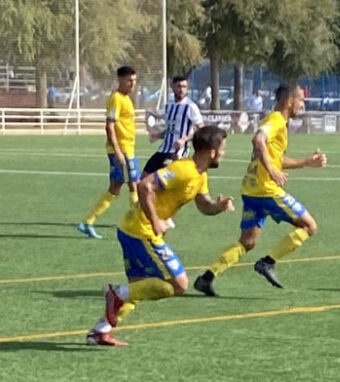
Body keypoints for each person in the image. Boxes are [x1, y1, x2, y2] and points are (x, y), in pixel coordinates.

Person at [85, 126, 235, 346]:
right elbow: (145, 185)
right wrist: (155, 220)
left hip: (132, 230)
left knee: (141, 287)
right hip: (141, 231)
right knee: (179, 284)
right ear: (212, 151)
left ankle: (99, 331)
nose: (224, 153)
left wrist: (218, 207)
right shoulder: (184, 169)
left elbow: (204, 205)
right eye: (222, 149)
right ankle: (115, 293)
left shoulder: (200, 175)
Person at [193, 84, 327, 296]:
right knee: (309, 226)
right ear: (289, 100)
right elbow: (258, 140)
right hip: (266, 190)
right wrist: (272, 170)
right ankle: (267, 263)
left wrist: (306, 162)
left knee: (247, 242)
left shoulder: (278, 123)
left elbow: (275, 158)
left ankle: (206, 278)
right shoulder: (276, 120)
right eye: (300, 100)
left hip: (251, 190)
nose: (302, 105)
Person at [77, 66, 140, 239]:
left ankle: (88, 222)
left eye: (134, 80)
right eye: (129, 80)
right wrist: (118, 151)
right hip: (122, 151)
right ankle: (137, 222)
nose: (133, 84)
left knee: (116, 188)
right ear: (120, 80)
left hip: (128, 149)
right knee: (134, 184)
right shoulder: (116, 99)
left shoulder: (126, 99)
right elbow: (109, 126)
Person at [143, 75, 204, 178]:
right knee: (144, 178)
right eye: (179, 86)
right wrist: (158, 135)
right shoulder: (169, 105)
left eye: (184, 87)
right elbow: (171, 129)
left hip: (177, 152)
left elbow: (201, 129)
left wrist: (184, 139)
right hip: (163, 149)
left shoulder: (190, 106)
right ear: (172, 87)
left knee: (164, 181)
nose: (182, 89)